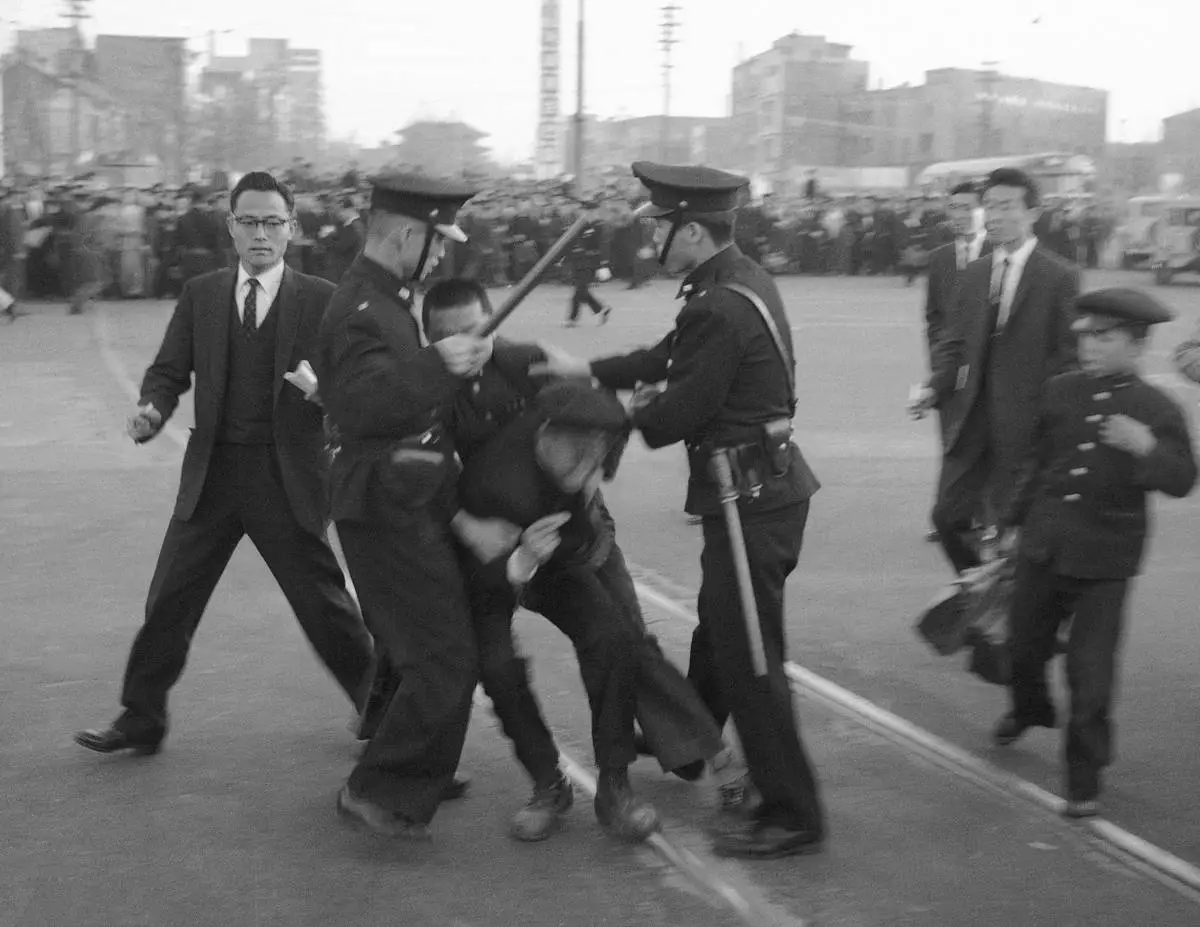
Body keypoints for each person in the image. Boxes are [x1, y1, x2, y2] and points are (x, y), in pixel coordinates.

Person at [533, 161, 825, 860]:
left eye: (659, 227)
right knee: (720, 632)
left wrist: (595, 409)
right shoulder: (733, 282)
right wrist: (591, 370)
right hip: (760, 490)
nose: (650, 239)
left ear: (691, 231)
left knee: (752, 659)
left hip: (748, 499)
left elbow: (674, 416)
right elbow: (670, 355)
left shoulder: (717, 304)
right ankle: (690, 740)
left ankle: (792, 812)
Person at [74, 171, 374, 757]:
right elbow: (168, 370)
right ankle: (142, 717)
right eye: (249, 222)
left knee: (324, 605)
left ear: (292, 228)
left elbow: (356, 382)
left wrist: (325, 395)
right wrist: (153, 409)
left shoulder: (322, 298)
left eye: (272, 223)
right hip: (212, 473)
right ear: (230, 227)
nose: (261, 234)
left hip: (285, 478)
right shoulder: (203, 294)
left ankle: (382, 716)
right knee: (169, 599)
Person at [423, 280, 732, 844]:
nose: (468, 343)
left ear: (494, 324)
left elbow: (603, 416)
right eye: (450, 337)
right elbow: (419, 480)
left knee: (619, 638)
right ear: (430, 342)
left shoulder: (529, 363)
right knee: (491, 666)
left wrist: (589, 479)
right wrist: (475, 531)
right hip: (482, 544)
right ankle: (547, 783)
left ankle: (630, 779)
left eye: (478, 329)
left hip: (568, 531)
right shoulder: (421, 394)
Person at [314, 173, 496, 840]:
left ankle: (417, 767)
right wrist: (438, 363)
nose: (442, 253)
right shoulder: (361, 308)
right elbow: (364, 404)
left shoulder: (385, 300)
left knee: (421, 646)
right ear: (403, 235)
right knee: (444, 653)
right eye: (436, 241)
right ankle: (377, 787)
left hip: (404, 491)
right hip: (383, 500)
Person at [993, 288, 1197, 818]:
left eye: (1104, 338)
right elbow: (1036, 462)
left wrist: (1146, 446)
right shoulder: (1060, 390)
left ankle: (1083, 777)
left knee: (1091, 674)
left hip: (1107, 559)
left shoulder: (1156, 408)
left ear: (1137, 344)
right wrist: (1010, 525)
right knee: (1022, 650)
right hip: (1045, 545)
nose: (1090, 347)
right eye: (1086, 338)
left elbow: (1182, 480)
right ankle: (1029, 708)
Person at [911, 168, 1081, 574]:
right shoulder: (975, 272)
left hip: (1026, 423)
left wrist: (1051, 414)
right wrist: (934, 387)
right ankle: (979, 588)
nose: (995, 215)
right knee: (948, 517)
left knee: (1013, 527)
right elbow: (955, 341)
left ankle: (1009, 602)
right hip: (972, 418)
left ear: (1033, 212)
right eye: (990, 206)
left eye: (1007, 206)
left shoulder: (1059, 276)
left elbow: (1067, 354)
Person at [919, 182, 992, 544]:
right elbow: (934, 316)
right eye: (954, 208)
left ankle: (987, 517)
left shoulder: (999, 252)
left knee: (990, 441)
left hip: (989, 366)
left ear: (982, 210)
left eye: (967, 208)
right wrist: (940, 361)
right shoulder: (940, 258)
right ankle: (950, 514)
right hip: (950, 368)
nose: (959, 215)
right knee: (952, 440)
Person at [563, 216, 612, 327]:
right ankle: (603, 309)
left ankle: (572, 319)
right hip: (580, 264)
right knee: (582, 292)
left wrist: (602, 264)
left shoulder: (594, 228)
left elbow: (600, 246)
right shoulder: (581, 228)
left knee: (579, 292)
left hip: (588, 264)